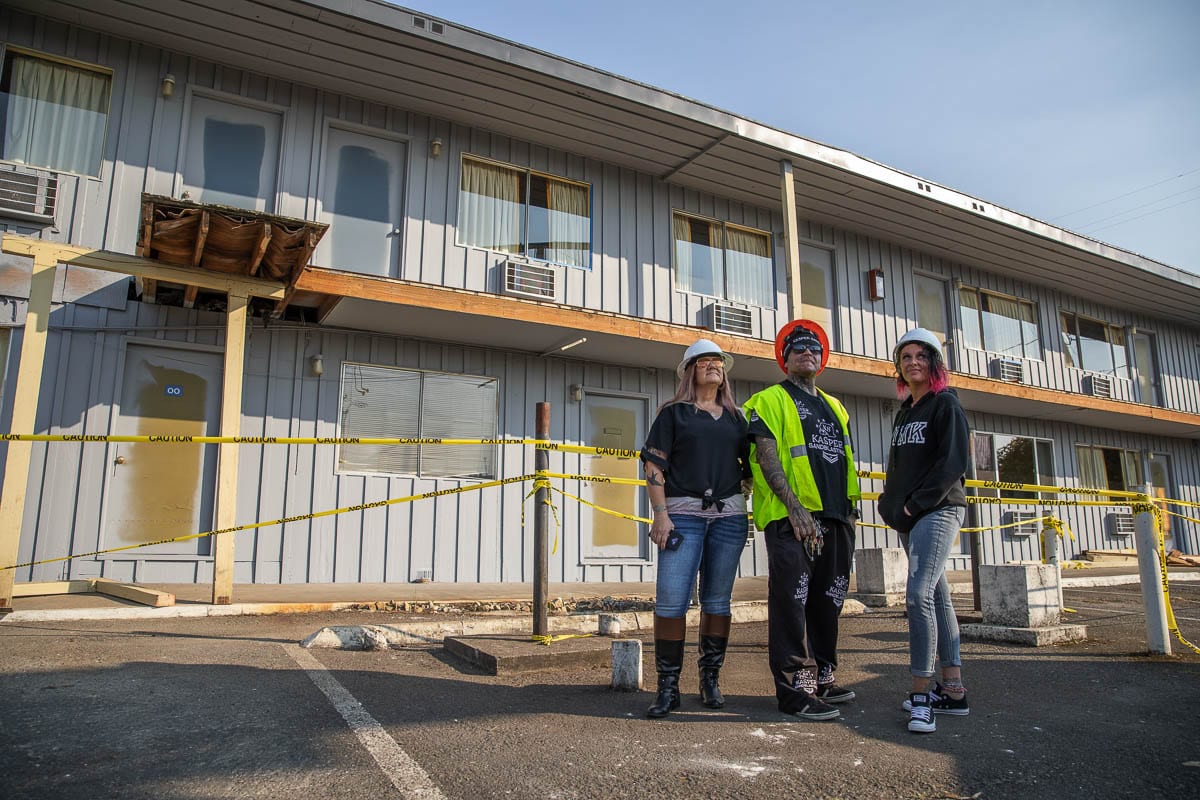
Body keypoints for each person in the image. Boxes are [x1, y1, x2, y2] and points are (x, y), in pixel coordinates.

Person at [744, 320, 860, 722]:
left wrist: (850, 514)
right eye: (797, 349)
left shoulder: (836, 406)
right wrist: (795, 509)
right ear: (785, 359)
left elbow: (843, 461)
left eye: (813, 348)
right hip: (793, 519)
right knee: (792, 603)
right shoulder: (769, 400)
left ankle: (824, 678)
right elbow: (766, 455)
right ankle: (797, 690)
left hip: (836, 518)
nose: (806, 353)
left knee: (829, 601)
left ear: (822, 358)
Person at [640, 338, 751, 719]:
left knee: (718, 601)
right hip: (681, 516)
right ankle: (668, 687)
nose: (713, 366)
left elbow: (752, 466)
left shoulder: (738, 419)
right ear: (690, 370)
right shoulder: (673, 414)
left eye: (718, 361)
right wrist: (661, 515)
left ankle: (710, 679)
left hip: (729, 519)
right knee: (671, 601)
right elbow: (653, 467)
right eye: (704, 361)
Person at [877, 327, 971, 735]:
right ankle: (952, 691)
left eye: (921, 356)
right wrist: (890, 503)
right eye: (905, 357)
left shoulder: (945, 405)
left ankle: (920, 696)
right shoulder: (905, 412)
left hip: (938, 510)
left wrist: (915, 504)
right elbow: (900, 467)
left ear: (934, 363)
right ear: (898, 366)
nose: (913, 362)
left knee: (916, 596)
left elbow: (952, 465)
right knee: (937, 597)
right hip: (909, 517)